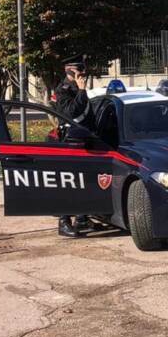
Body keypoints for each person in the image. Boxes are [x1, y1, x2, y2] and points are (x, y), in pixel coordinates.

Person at [53, 57, 91, 237]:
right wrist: (82, 91)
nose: (83, 74)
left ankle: (82, 218)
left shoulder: (76, 88)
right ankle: (64, 221)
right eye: (79, 70)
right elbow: (72, 112)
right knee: (70, 182)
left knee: (83, 181)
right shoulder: (63, 90)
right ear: (70, 71)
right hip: (69, 140)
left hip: (83, 140)